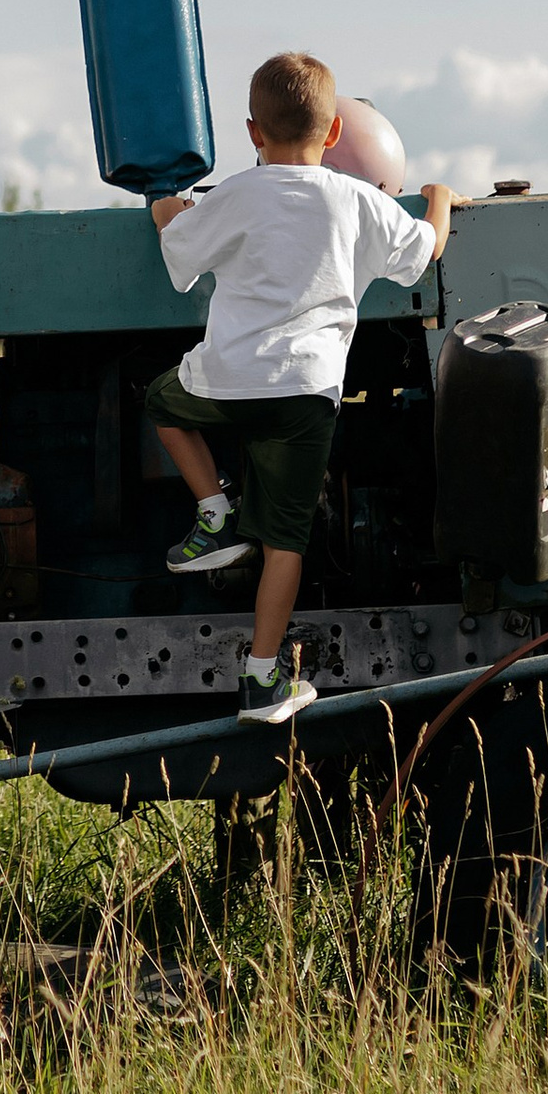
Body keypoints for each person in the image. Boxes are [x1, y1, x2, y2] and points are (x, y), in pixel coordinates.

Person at [146, 51, 456, 722]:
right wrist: (439, 201)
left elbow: (180, 252)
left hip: (227, 380)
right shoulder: (357, 201)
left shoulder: (235, 194)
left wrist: (167, 209)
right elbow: (422, 253)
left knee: (162, 402)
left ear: (253, 131)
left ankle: (214, 513)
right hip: (306, 393)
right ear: (337, 133)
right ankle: (262, 681)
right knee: (286, 539)